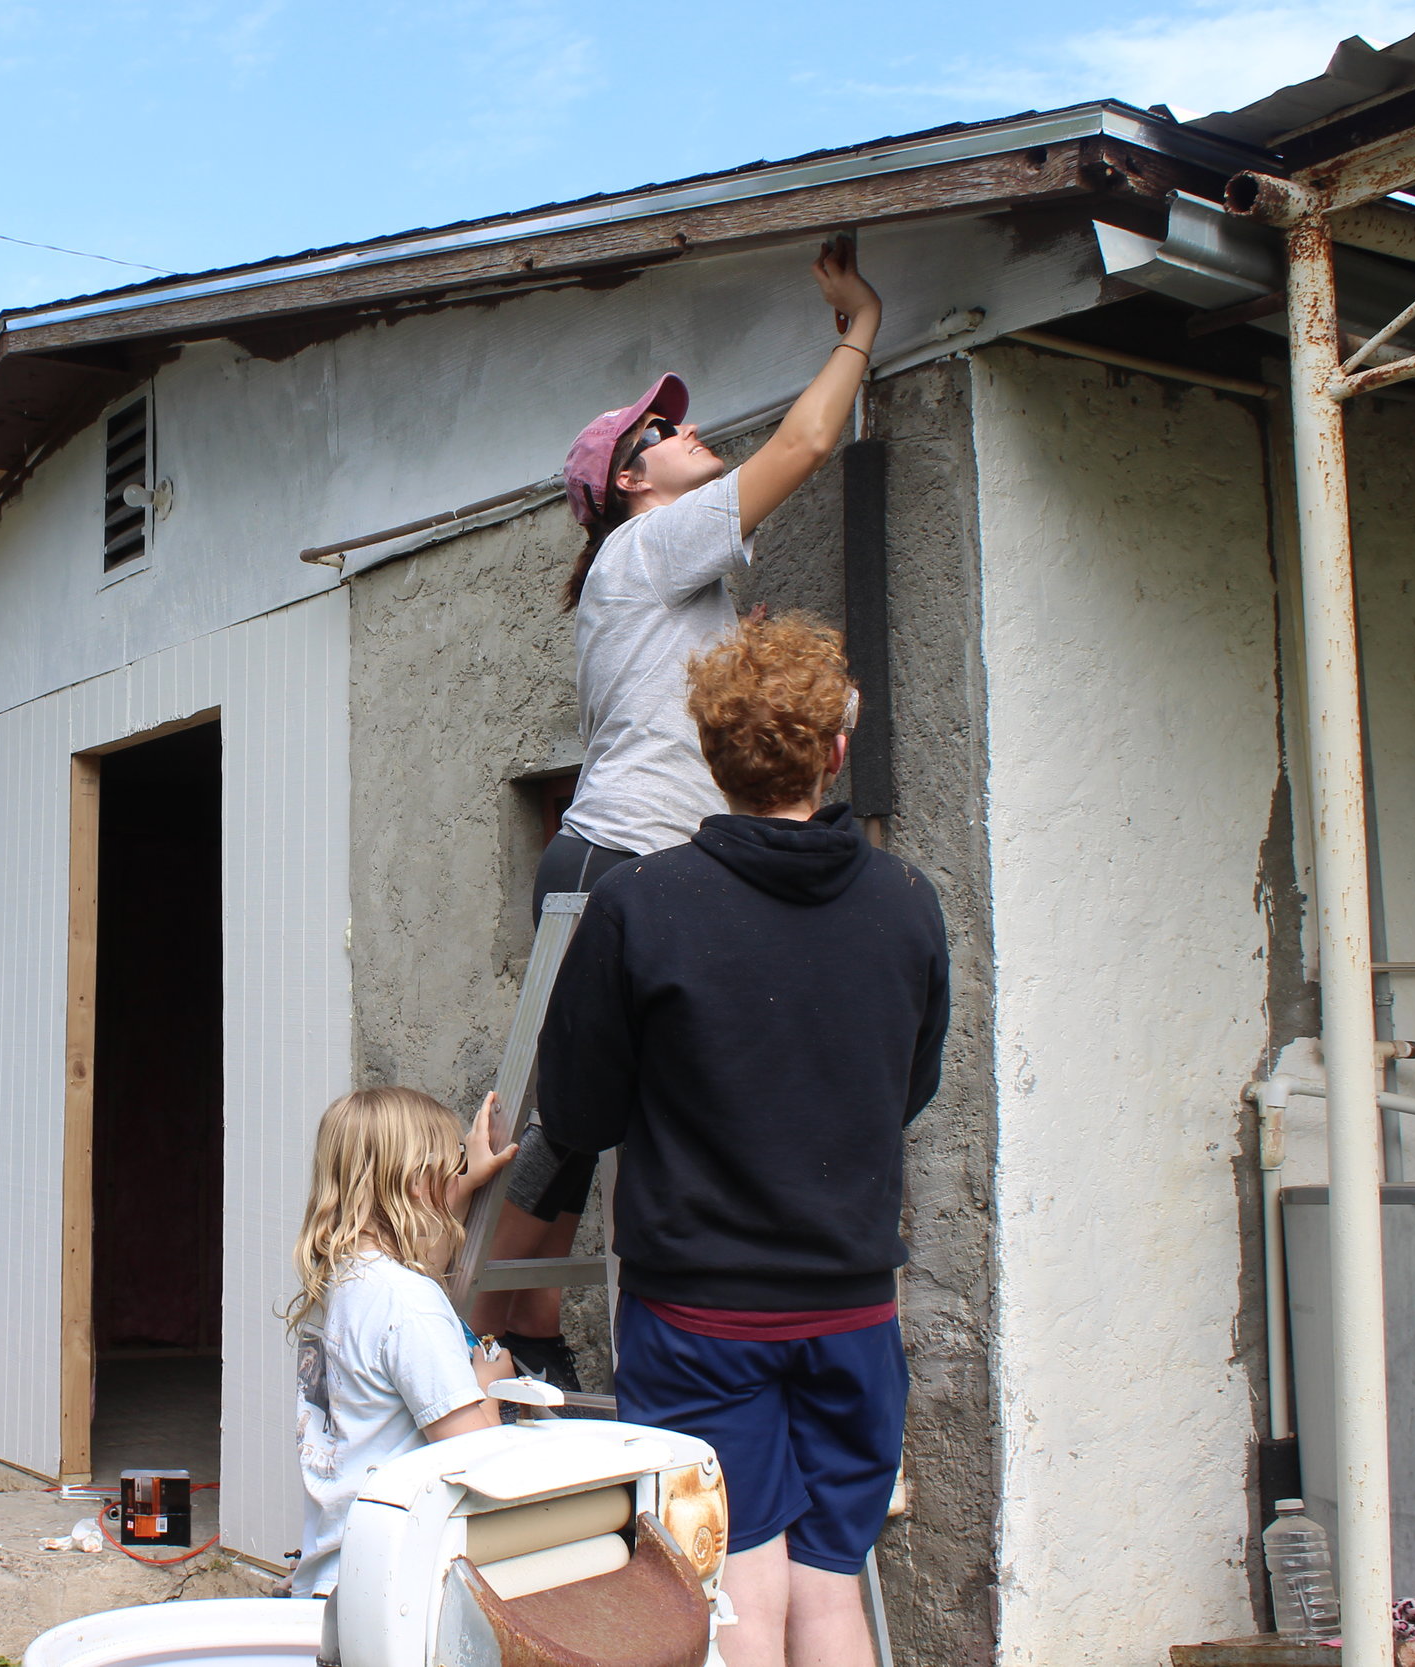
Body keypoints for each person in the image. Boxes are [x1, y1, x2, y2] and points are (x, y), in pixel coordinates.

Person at [475, 236, 888, 1389]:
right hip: (616, 862)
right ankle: (511, 1334)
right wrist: (856, 327)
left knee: (614, 1113)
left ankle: (533, 1333)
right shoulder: (644, 549)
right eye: (662, 436)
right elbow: (805, 442)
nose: (688, 435)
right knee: (567, 1122)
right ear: (628, 485)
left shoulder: (686, 577)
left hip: (662, 870)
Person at [535, 611, 950, 1667]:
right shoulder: (908, 905)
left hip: (700, 1316)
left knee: (740, 1605)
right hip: (854, 1313)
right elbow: (909, 1087)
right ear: (835, 748)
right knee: (829, 1598)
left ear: (710, 756)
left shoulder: (639, 904)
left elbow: (578, 1117)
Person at [285, 1086, 515, 1600]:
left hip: (339, 1574)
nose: (456, 1172)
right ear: (415, 1181)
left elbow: (410, 1278)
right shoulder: (411, 1305)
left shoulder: (341, 1283)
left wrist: (465, 1184)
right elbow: (473, 1459)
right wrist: (491, 1387)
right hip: (396, 1592)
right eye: (449, 1164)